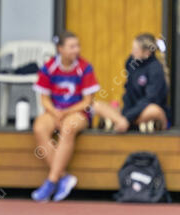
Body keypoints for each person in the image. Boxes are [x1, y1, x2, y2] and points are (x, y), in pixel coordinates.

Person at [32, 31, 99, 202]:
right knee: (39, 128)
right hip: (55, 111)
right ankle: (64, 177)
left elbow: (87, 101)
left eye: (77, 46)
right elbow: (44, 98)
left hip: (77, 112)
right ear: (60, 49)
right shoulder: (48, 67)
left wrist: (66, 112)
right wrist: (55, 112)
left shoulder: (85, 68)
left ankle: (52, 180)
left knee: (68, 128)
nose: (76, 50)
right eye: (71, 46)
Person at [93, 33, 170, 133]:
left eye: (135, 49)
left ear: (147, 52)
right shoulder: (131, 62)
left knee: (154, 110)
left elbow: (150, 99)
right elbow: (129, 90)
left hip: (144, 110)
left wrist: (128, 117)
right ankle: (122, 122)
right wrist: (124, 113)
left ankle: (123, 122)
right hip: (130, 110)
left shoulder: (155, 69)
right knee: (96, 105)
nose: (132, 52)